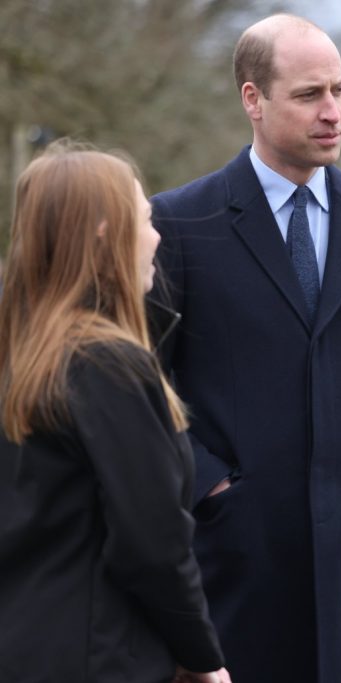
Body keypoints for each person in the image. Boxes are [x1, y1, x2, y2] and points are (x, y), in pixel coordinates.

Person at [149, 13, 341, 683]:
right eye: (310, 94)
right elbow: (149, 382)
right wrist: (212, 488)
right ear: (252, 99)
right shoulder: (181, 222)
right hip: (231, 566)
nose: (333, 111)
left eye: (339, 90)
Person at [0, 142, 230, 683]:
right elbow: (152, 544)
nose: (157, 238)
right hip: (96, 657)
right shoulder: (107, 366)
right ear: (106, 231)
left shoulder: (19, 354)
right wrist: (203, 657)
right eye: (146, 219)